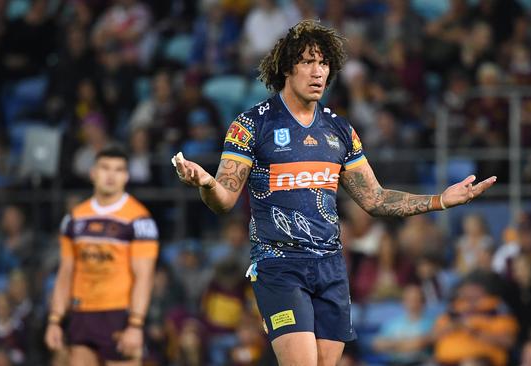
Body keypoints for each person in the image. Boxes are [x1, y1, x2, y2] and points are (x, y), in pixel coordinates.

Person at [173, 20, 496, 366]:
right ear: (286, 67)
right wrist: (207, 184)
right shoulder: (252, 125)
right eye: (308, 62)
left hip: (330, 267)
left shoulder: (340, 131)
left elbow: (374, 199)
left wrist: (440, 200)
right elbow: (223, 201)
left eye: (324, 63)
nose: (318, 72)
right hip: (279, 266)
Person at [44, 147, 159, 365]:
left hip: (119, 314)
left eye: (118, 170)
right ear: (93, 173)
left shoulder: (139, 220)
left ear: (126, 176)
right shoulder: (74, 219)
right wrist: (55, 319)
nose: (111, 175)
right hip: (82, 312)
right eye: (105, 168)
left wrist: (135, 324)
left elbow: (144, 276)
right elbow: (65, 271)